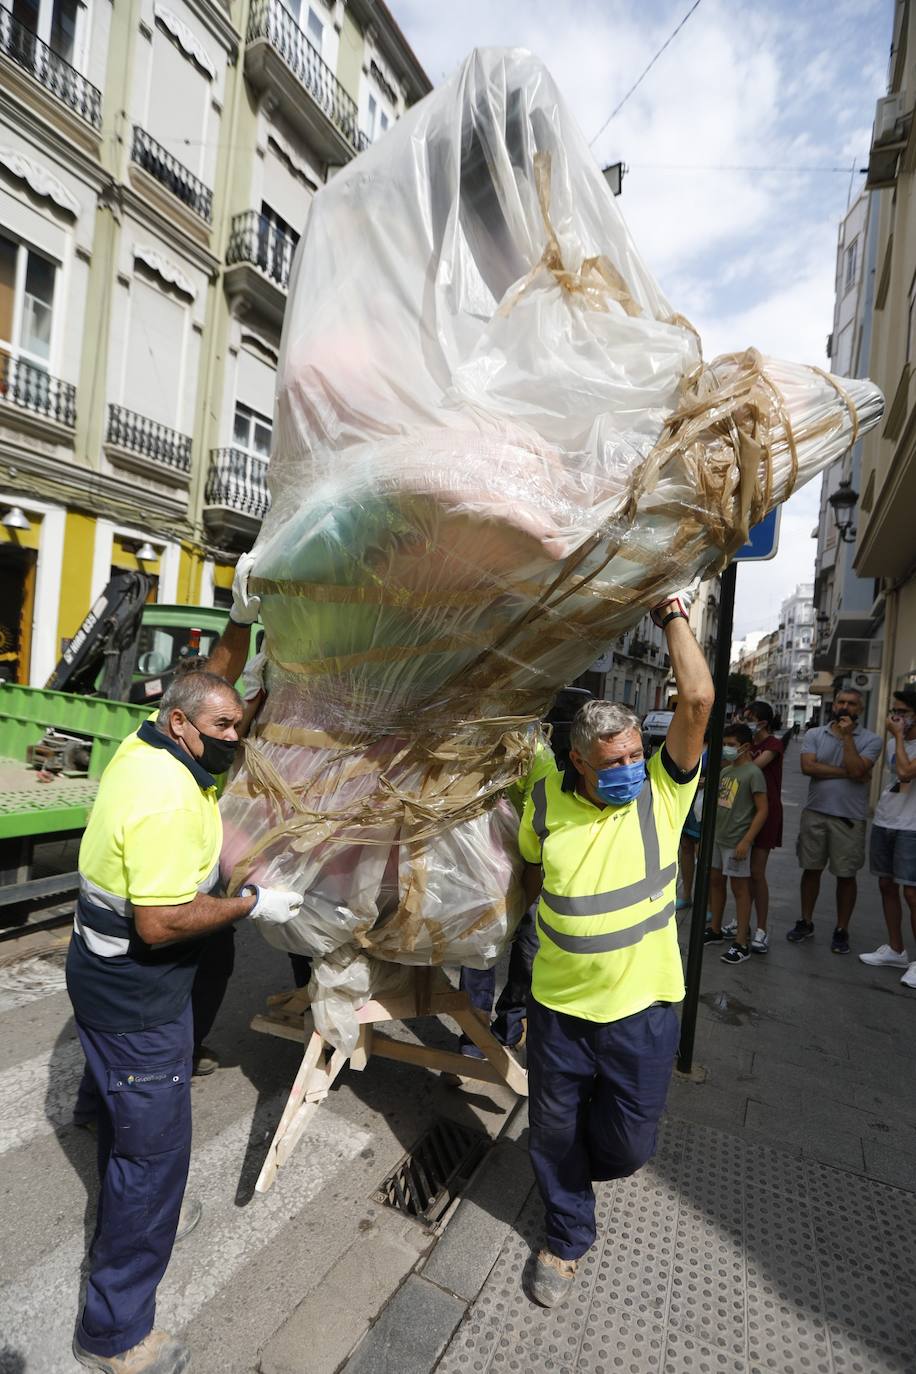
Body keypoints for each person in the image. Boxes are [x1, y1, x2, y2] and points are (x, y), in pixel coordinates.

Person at [68, 669, 302, 1374]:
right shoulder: (167, 797)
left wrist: (251, 696)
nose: (236, 738)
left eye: (239, 723)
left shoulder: (143, 749)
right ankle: (116, 1334)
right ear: (181, 724)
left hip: (101, 979)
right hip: (139, 1002)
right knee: (153, 1162)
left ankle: (126, 1209)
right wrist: (250, 904)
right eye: (224, 728)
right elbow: (163, 922)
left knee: (123, 1122)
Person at [517, 592, 713, 1308]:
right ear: (577, 761)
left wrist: (671, 614)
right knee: (552, 1128)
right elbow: (531, 868)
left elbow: (697, 699)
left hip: (642, 1011)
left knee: (628, 1148)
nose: (631, 766)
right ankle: (566, 1235)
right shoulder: (544, 795)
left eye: (636, 753)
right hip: (561, 1009)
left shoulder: (663, 792)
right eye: (614, 761)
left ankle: (571, 1169)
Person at [790, 687, 882, 954]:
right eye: (841, 701)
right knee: (811, 869)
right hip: (815, 813)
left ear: (860, 709)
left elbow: (857, 769)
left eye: (851, 703)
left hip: (849, 819)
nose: (845, 706)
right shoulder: (815, 734)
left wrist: (846, 739)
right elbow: (809, 767)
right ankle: (806, 921)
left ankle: (842, 929)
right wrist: (849, 772)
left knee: (846, 875)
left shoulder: (871, 740)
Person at [859, 688, 916, 988]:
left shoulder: (905, 742)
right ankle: (896, 949)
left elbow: (906, 772)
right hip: (886, 820)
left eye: (903, 712)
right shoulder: (899, 741)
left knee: (912, 893)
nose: (896, 717)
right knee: (886, 885)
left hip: (912, 827)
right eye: (894, 711)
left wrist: (896, 735)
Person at [703, 723, 768, 964]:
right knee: (716, 882)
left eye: (731, 745)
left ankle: (741, 942)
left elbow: (762, 810)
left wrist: (747, 840)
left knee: (740, 890)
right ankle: (716, 929)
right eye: (725, 745)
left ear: (745, 747)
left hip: (737, 841)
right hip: (719, 838)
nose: (727, 749)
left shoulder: (753, 774)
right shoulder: (725, 772)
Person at [744, 700, 784, 954]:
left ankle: (761, 928)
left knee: (757, 872)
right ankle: (741, 923)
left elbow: (751, 769)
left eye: (750, 717)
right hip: (742, 814)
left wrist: (744, 747)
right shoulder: (748, 745)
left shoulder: (773, 745)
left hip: (766, 814)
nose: (745, 720)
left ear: (763, 722)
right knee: (740, 874)